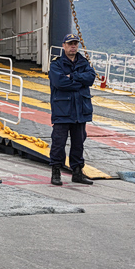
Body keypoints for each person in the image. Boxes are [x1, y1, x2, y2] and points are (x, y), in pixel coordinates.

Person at [47, 33, 96, 186]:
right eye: (70, 43)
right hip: (63, 110)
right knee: (58, 143)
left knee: (78, 142)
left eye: (75, 43)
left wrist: (72, 77)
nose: (73, 46)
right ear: (64, 46)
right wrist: (80, 81)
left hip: (80, 110)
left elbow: (91, 78)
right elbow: (60, 83)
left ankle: (77, 172)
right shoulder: (56, 64)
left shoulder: (84, 62)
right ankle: (56, 172)